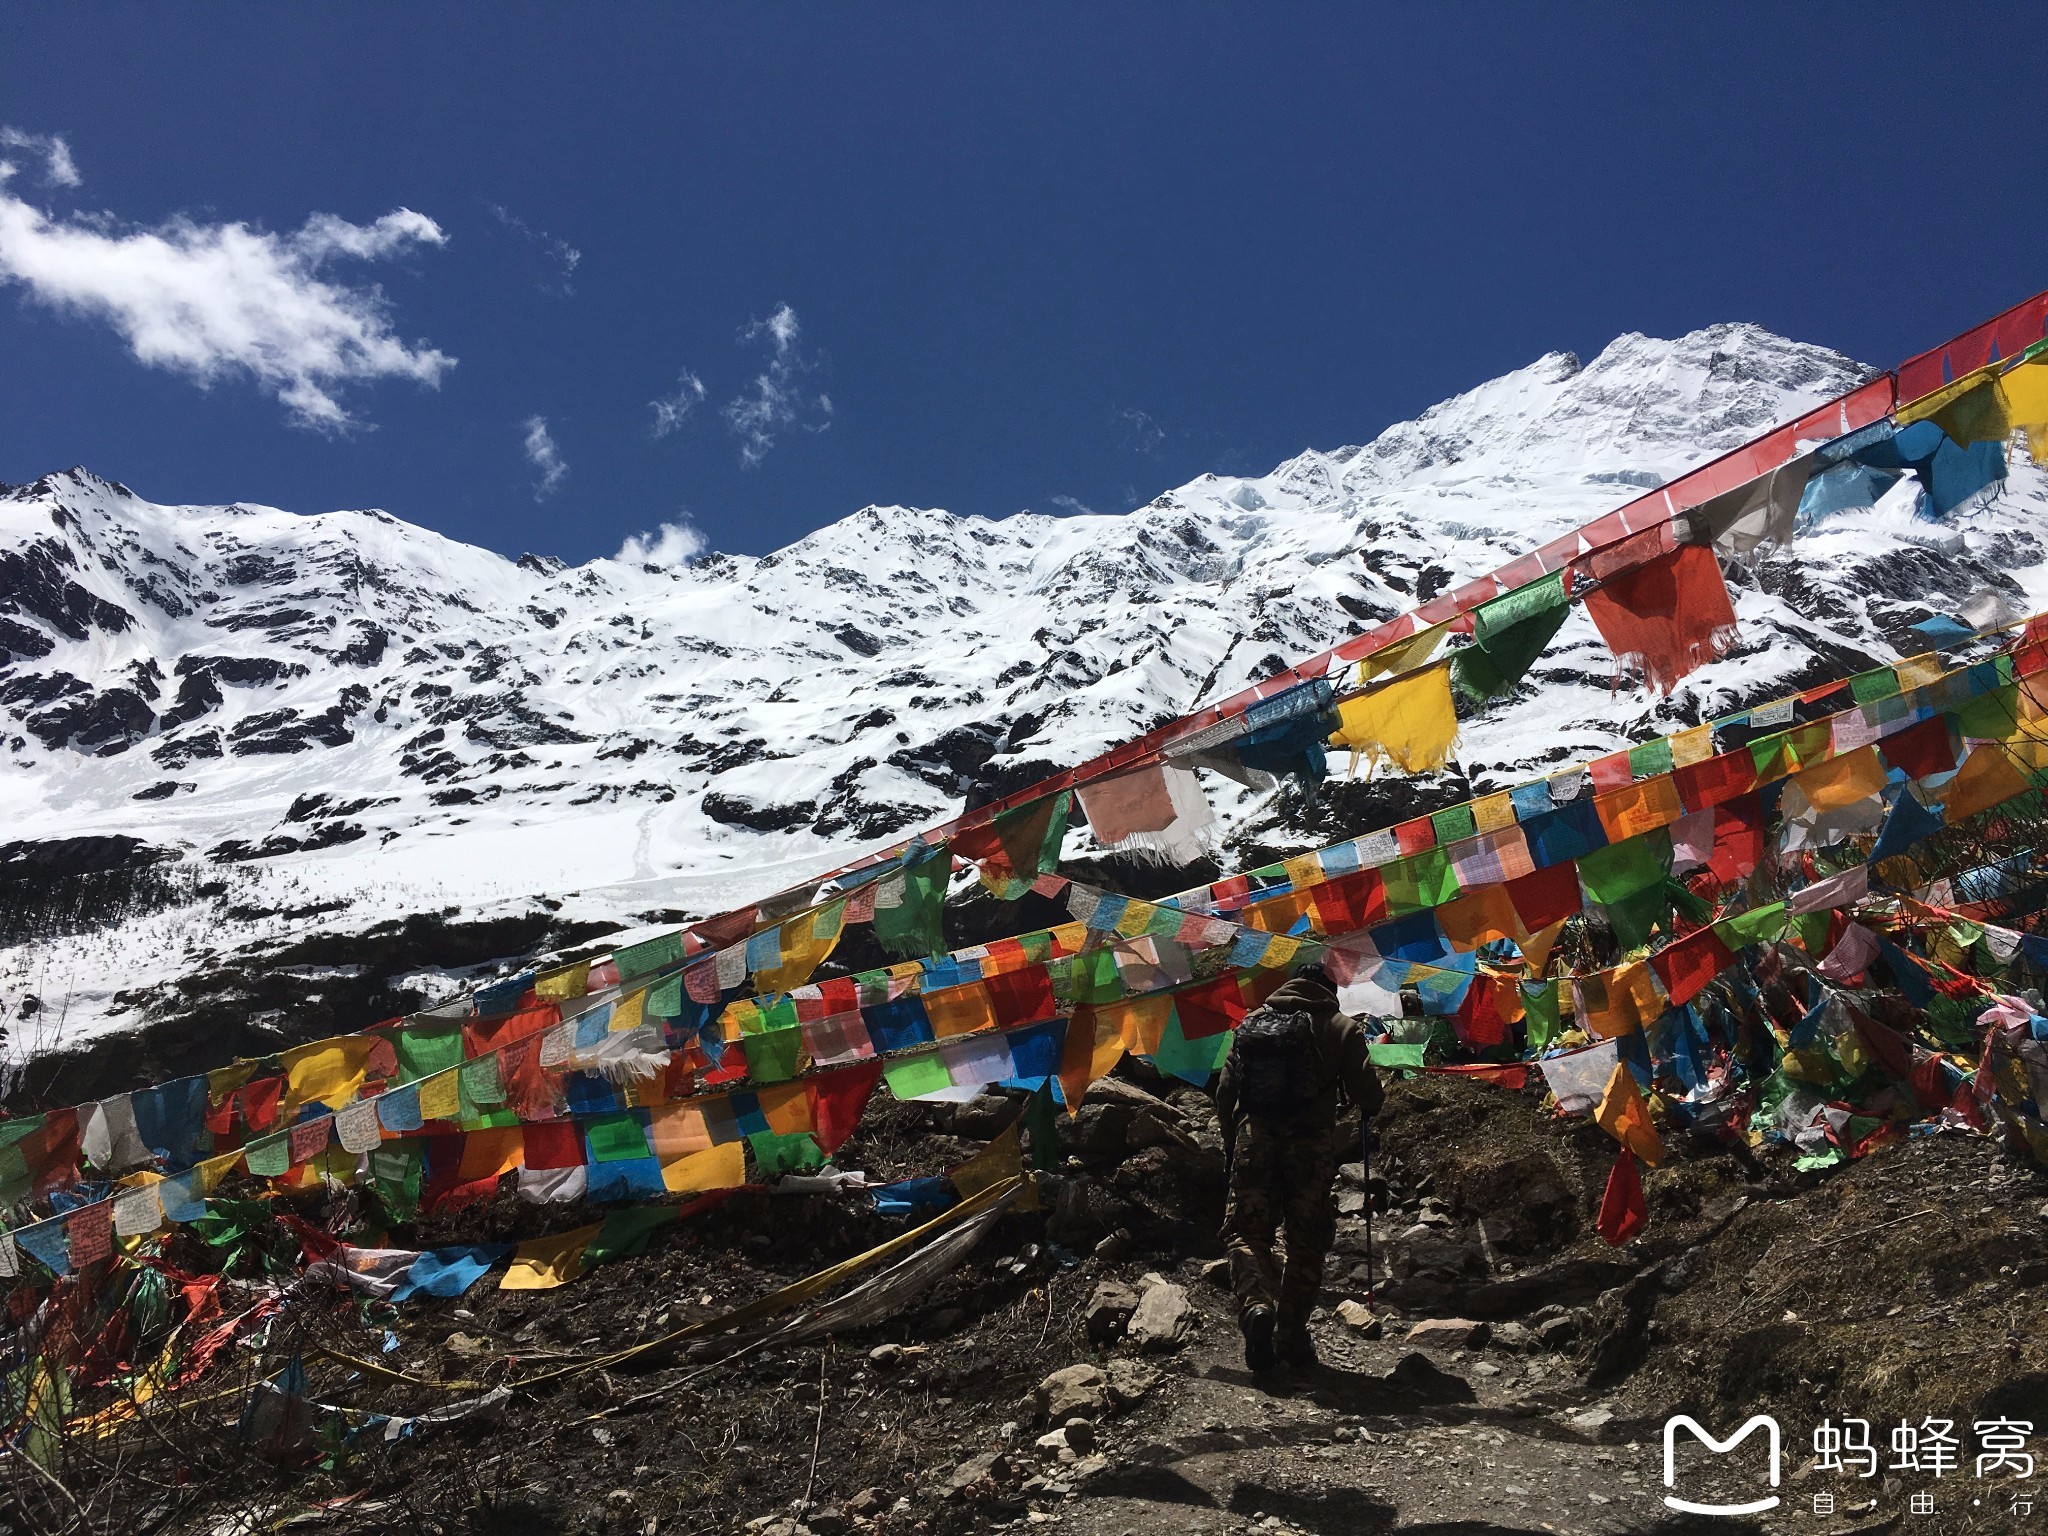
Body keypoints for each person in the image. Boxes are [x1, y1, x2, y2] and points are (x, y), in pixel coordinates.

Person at [1214, 961, 1382, 1373]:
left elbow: (1225, 1090)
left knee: (1246, 1231)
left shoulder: (1251, 1022)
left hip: (1256, 1140)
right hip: (1310, 1147)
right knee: (1306, 1240)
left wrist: (1231, 1138)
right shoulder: (1341, 1027)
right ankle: (1290, 1335)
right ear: (1329, 990)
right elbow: (1369, 1096)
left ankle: (1256, 1306)